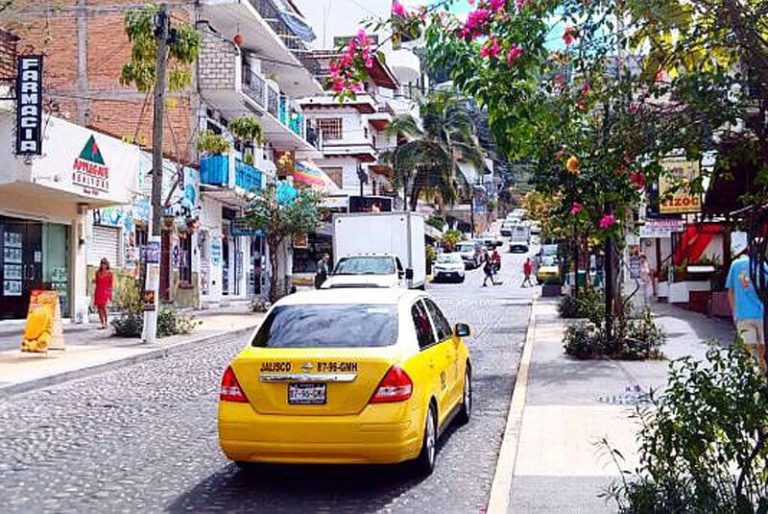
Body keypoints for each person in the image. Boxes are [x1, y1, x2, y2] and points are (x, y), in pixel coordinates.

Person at [726, 253, 766, 372]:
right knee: (761, 353)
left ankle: (754, 380)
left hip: (743, 315)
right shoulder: (762, 265)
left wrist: (734, 313)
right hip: (761, 314)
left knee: (750, 351)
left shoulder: (735, 265)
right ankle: (760, 376)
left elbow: (730, 291)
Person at [93, 258, 114, 329]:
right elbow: (97, 281)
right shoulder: (97, 272)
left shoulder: (110, 273)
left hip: (105, 291)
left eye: (104, 264)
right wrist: (94, 281)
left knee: (104, 306)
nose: (103, 265)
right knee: (99, 307)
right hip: (98, 291)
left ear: (107, 264)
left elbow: (110, 284)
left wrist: (110, 293)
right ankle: (102, 323)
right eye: (102, 264)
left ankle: (106, 322)